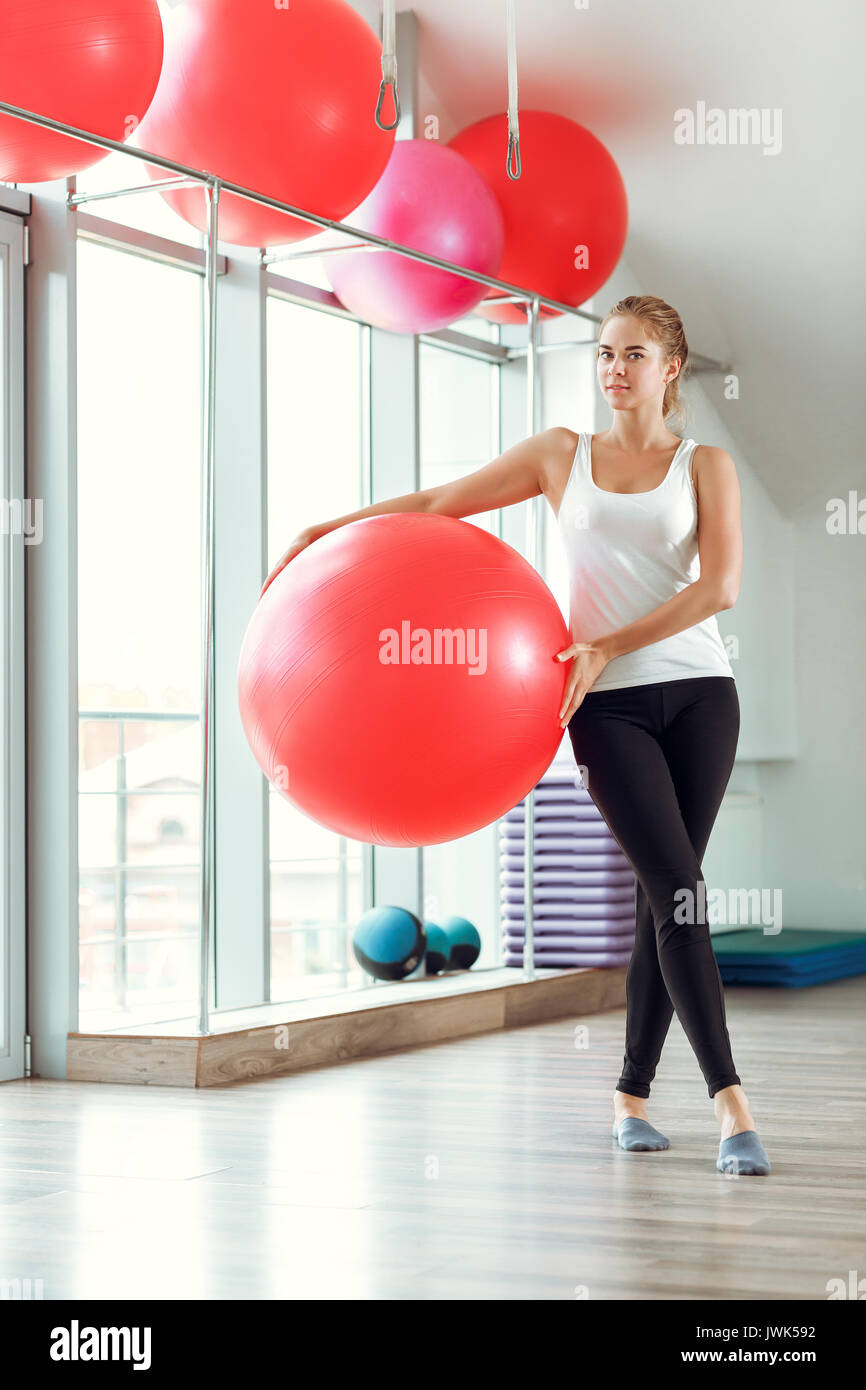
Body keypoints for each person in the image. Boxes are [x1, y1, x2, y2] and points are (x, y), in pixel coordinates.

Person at [262, 292, 770, 1178]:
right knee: (680, 889)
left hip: (700, 696)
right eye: (606, 353)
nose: (615, 369)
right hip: (602, 707)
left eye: (635, 355)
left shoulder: (707, 465)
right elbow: (440, 504)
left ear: (672, 369)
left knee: (669, 896)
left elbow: (719, 589)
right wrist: (330, 529)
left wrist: (611, 640)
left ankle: (630, 1099)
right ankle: (734, 1107)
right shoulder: (559, 456)